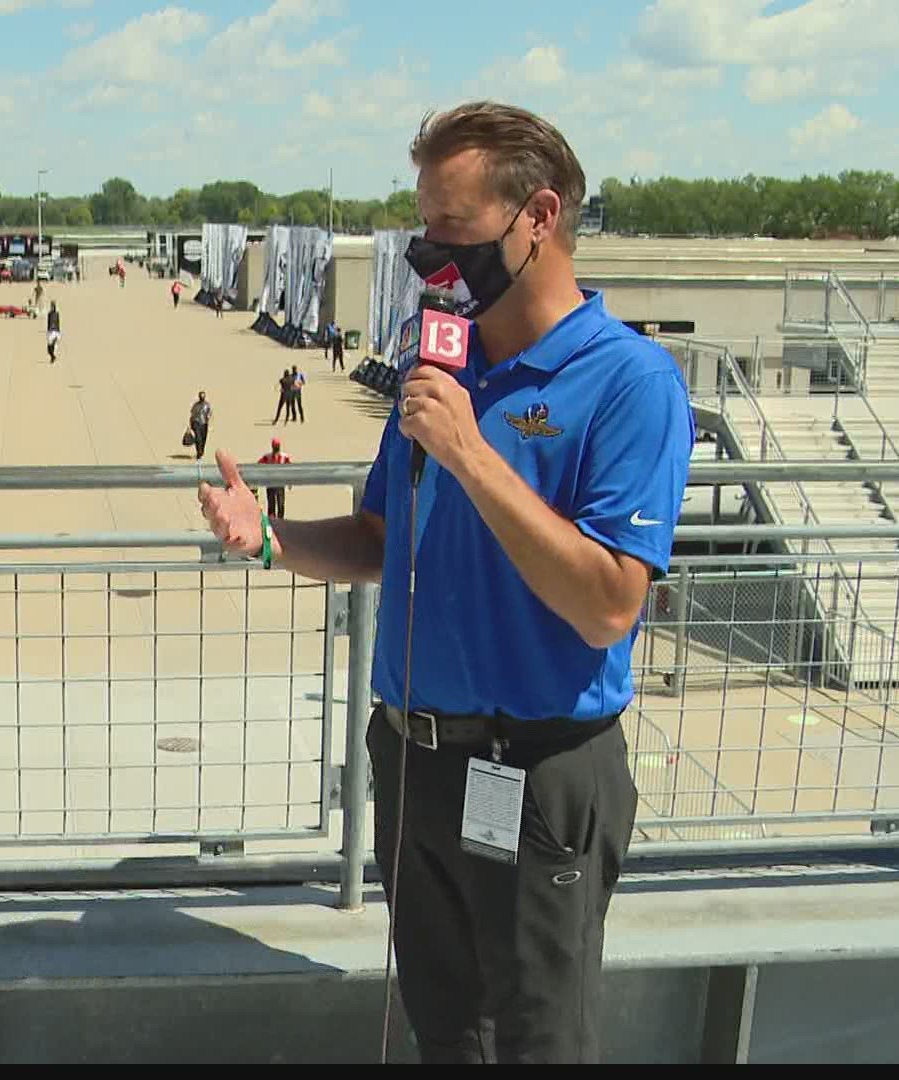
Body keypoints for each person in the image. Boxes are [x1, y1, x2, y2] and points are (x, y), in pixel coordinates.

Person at [197, 102, 692, 1063]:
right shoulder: (442, 367)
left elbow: (608, 604)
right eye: (424, 227)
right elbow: (386, 537)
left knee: (537, 1045)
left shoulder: (629, 382)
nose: (431, 253)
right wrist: (271, 539)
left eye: (453, 229)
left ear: (538, 217)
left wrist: (472, 452)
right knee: (446, 1037)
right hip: (417, 763)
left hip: (538, 771)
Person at [257, 437, 292, 519]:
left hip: (280, 483)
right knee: (271, 503)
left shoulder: (284, 457)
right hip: (270, 483)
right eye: (275, 446)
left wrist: (290, 481)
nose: (276, 447)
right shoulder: (267, 457)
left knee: (280, 504)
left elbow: (290, 469)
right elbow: (258, 465)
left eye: (277, 446)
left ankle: (281, 520)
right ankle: (272, 521)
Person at [187, 391, 211, 460]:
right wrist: (190, 423)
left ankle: (201, 451)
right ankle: (199, 453)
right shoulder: (195, 405)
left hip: (204, 423)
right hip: (196, 423)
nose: (202, 398)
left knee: (203, 439)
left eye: (203, 396)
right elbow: (192, 414)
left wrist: (209, 423)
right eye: (201, 396)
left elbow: (209, 414)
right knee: (198, 438)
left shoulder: (207, 405)